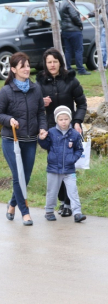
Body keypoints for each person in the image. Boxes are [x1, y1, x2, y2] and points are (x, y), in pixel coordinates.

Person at [36, 48, 87, 217]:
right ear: (45, 64)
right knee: (56, 166)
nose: (52, 65)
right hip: (52, 130)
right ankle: (60, 200)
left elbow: (81, 103)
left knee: (68, 165)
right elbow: (34, 106)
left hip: (70, 129)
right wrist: (41, 102)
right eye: (49, 62)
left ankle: (67, 203)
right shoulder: (40, 83)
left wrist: (77, 121)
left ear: (60, 63)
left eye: (55, 61)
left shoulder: (71, 80)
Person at [1, 52, 47, 226]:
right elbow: (0, 113)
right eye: (23, 66)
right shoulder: (6, 91)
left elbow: (41, 112)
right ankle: (25, 212)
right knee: (17, 176)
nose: (27, 69)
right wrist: (8, 120)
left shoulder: (35, 89)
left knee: (25, 177)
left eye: (28, 65)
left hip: (30, 140)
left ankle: (12, 204)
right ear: (13, 69)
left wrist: (42, 128)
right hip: (11, 140)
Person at [38, 105, 86, 223]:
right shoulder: (52, 132)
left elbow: (79, 149)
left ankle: (77, 213)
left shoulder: (74, 134)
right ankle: (49, 211)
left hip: (69, 170)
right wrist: (41, 139)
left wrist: (72, 159)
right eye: (61, 119)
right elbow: (46, 146)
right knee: (52, 191)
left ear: (70, 119)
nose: (63, 122)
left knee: (73, 191)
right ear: (56, 120)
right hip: (53, 169)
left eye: (66, 119)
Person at [60, 0, 91, 75]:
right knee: (78, 50)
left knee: (68, 50)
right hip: (74, 30)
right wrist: (80, 24)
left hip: (65, 30)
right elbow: (74, 16)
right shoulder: (70, 4)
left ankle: (68, 68)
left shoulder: (62, 3)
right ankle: (81, 69)